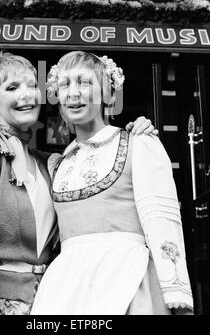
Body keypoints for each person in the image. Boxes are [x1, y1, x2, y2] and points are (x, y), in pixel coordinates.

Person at [0, 52, 156, 315]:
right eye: (12, 87)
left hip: (39, 302)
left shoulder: (51, 163)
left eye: (32, 86)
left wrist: (136, 131)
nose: (27, 95)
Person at [31, 51, 194, 315]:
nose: (73, 93)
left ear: (108, 94)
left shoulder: (138, 142)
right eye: (65, 84)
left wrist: (176, 295)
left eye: (84, 82)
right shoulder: (59, 163)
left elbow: (162, 220)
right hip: (67, 286)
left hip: (127, 279)